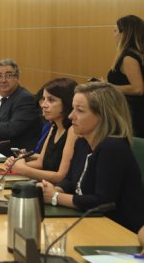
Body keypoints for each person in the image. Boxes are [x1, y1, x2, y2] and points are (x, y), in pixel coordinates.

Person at [40, 82, 144, 233]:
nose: (70, 116)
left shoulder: (113, 148)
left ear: (103, 115)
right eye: (73, 108)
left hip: (118, 231)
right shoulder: (82, 142)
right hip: (88, 221)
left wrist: (55, 197)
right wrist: (52, 190)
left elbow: (102, 201)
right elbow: (70, 180)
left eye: (80, 111)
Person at [4, 78, 78, 183]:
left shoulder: (73, 131)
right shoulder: (53, 126)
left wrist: (23, 169)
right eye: (44, 99)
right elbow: (40, 162)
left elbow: (61, 176)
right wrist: (13, 164)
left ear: (67, 102)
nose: (43, 105)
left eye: (51, 100)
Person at [107, 14, 144, 137]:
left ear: (125, 34)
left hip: (132, 114)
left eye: (116, 30)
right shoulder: (136, 54)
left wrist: (109, 87)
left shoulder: (128, 57)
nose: (114, 34)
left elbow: (138, 88)